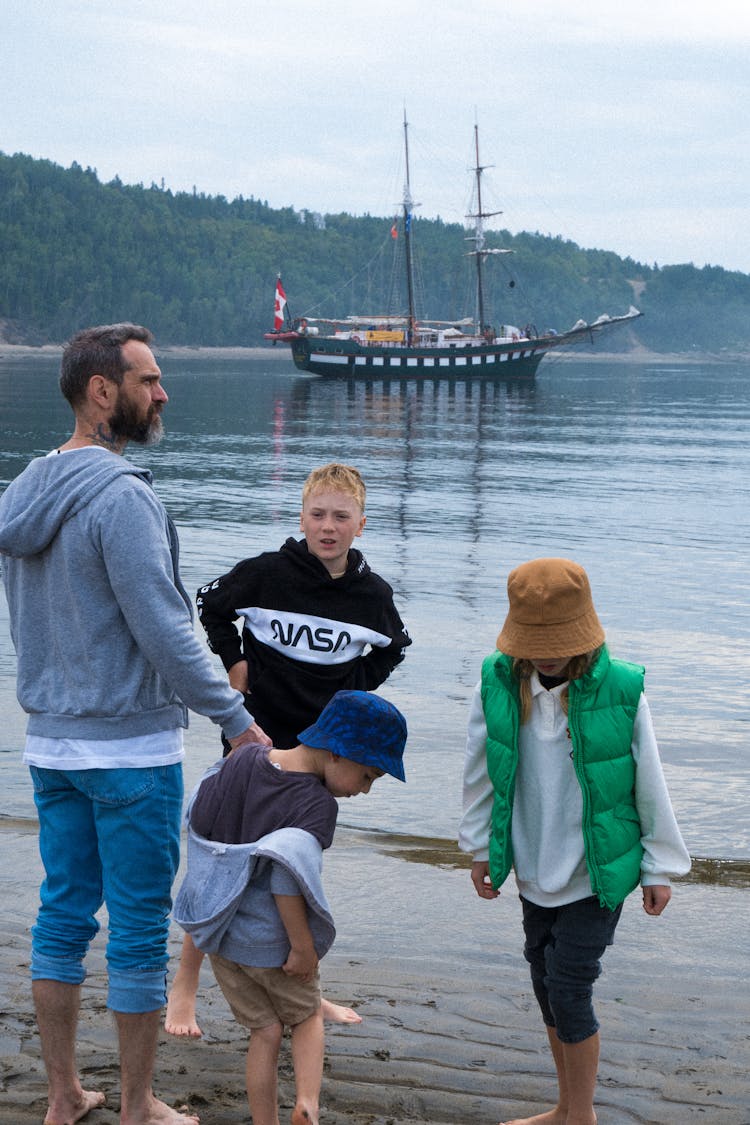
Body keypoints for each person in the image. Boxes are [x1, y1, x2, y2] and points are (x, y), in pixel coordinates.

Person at [0, 323, 270, 1125]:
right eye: (149, 380)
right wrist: (238, 720)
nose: (163, 393)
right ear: (100, 392)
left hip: (51, 743)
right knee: (140, 928)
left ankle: (61, 1097)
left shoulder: (23, 491)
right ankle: (138, 1103)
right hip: (130, 752)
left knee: (62, 911)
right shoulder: (122, 497)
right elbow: (165, 629)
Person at [165, 460, 410, 1037]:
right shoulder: (266, 573)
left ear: (361, 525)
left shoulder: (372, 596)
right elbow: (210, 604)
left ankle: (302, 987)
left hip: (320, 752)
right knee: (224, 853)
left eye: (341, 517)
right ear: (302, 518)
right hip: (254, 737)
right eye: (318, 515)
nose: (328, 526)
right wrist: (235, 661)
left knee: (294, 868)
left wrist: (351, 695)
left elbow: (393, 647)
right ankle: (185, 985)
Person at [458, 557, 691, 1125]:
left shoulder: (622, 689)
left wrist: (658, 867)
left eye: (557, 640)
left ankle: (581, 1118)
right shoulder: (497, 680)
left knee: (569, 988)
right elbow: (480, 769)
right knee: (543, 980)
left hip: (596, 868)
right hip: (533, 860)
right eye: (534, 641)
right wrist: (479, 848)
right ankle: (564, 1107)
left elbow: (649, 781)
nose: (546, 653)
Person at [173, 689, 407, 1125]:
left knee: (264, 1032)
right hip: (272, 944)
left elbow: (205, 810)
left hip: (223, 941)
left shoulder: (245, 758)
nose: (366, 790)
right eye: (369, 776)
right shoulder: (317, 806)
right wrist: (302, 947)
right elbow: (285, 879)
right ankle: (307, 1103)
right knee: (304, 1020)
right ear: (337, 754)